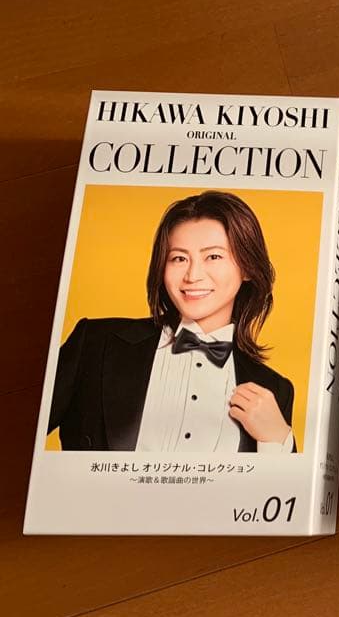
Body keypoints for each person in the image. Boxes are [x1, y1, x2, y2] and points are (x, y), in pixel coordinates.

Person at [49, 191, 296, 453]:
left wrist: (278, 439)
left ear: (247, 267)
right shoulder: (95, 343)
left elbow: (281, 480)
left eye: (213, 256)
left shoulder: (274, 389)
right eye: (179, 258)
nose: (193, 275)